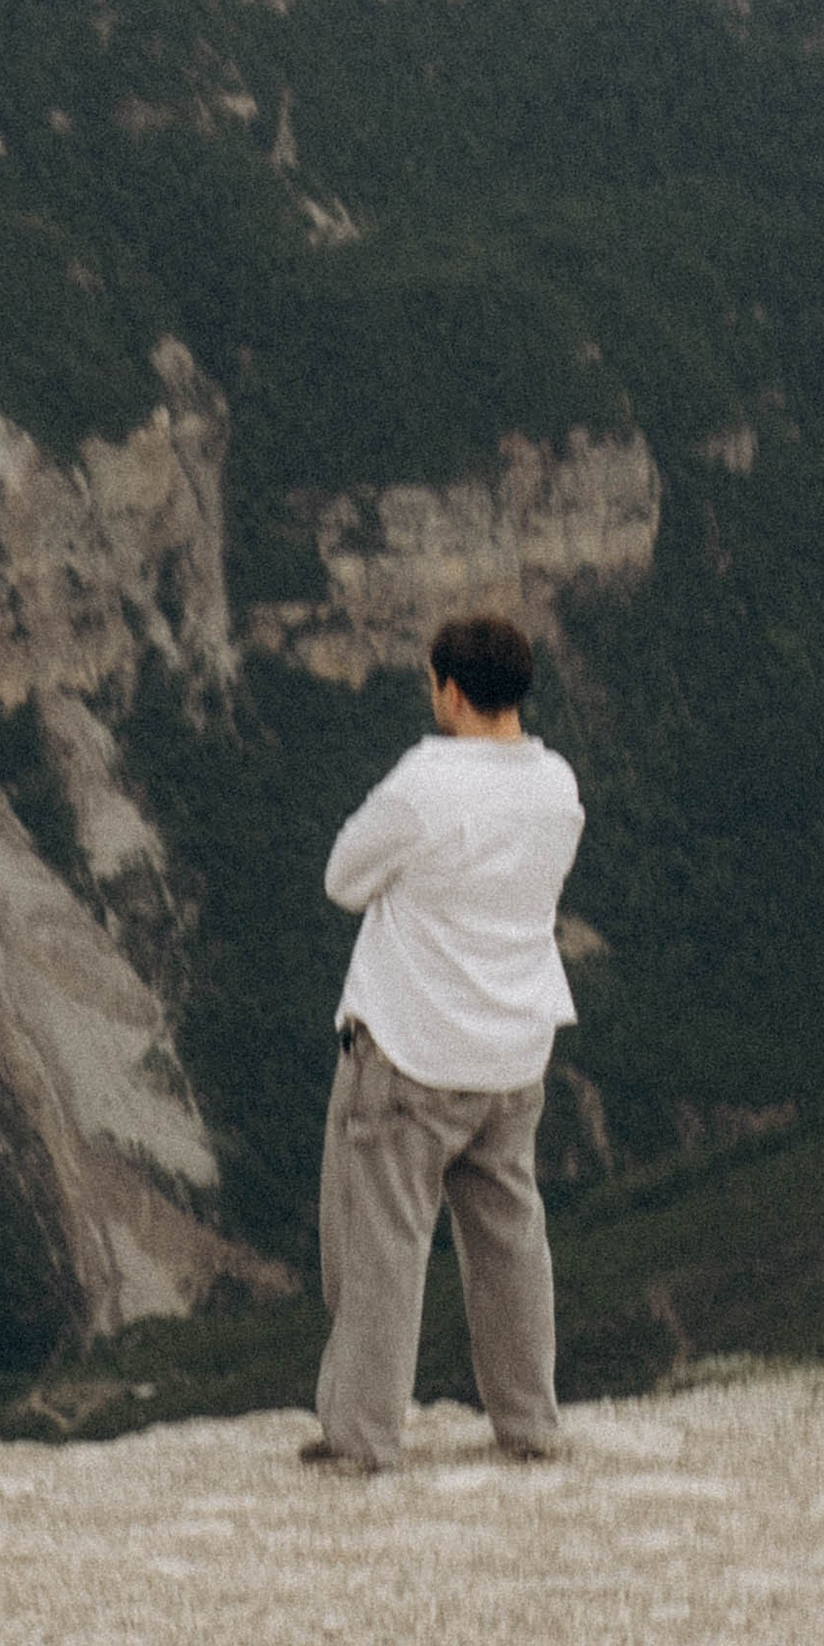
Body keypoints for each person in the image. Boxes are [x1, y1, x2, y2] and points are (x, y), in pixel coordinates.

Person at [302, 609, 583, 1475]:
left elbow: (343, 879)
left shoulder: (424, 782)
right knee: (509, 1239)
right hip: (513, 1051)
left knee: (382, 1242)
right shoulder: (558, 786)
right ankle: (529, 1424)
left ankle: (365, 1436)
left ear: (449, 690)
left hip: (414, 1050)